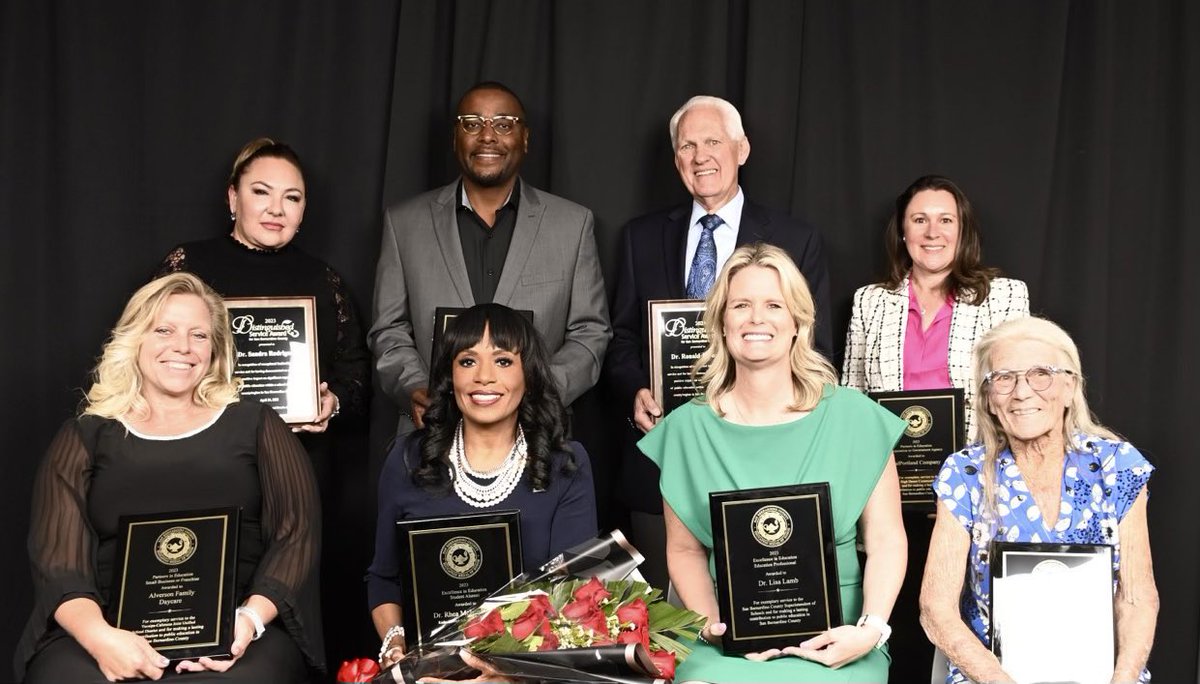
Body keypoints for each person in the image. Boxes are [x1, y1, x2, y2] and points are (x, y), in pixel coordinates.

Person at [15, 273, 322, 683]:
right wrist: (101, 638)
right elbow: (57, 562)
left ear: (214, 350)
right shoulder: (85, 436)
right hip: (105, 629)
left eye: (199, 335)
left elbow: (296, 534)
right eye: (164, 330)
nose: (183, 347)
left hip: (238, 631)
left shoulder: (256, 424)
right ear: (135, 338)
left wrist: (246, 622)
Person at [639, 243, 907, 682]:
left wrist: (871, 631)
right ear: (721, 324)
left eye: (773, 305)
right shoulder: (686, 431)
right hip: (726, 647)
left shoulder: (856, 418)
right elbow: (685, 551)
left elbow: (886, 540)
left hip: (840, 640)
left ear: (799, 322)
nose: (756, 318)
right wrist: (711, 626)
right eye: (741, 305)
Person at [156, 137, 371, 668]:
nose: (276, 209)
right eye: (261, 192)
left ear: (304, 210)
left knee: (284, 611)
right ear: (233, 199)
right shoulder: (188, 265)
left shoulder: (323, 280)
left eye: (292, 198)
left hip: (292, 472)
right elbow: (147, 350)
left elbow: (356, 375)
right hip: (201, 466)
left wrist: (333, 402)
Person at [605, 95, 832, 590]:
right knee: (665, 622)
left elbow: (815, 348)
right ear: (676, 161)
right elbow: (619, 337)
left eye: (713, 141)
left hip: (762, 457)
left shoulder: (796, 238)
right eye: (688, 145)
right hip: (663, 456)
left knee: (759, 602)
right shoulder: (639, 237)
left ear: (742, 149)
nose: (701, 155)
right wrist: (634, 391)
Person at [919, 317, 1157, 683]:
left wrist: (1123, 678)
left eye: (1040, 374)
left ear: (1068, 387)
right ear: (989, 399)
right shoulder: (963, 474)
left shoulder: (1117, 466)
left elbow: (1137, 598)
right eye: (1004, 378)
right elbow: (936, 608)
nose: (1022, 392)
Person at [370, 81, 611, 437]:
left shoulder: (572, 225)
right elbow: (388, 330)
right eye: (471, 123)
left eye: (503, 123)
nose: (487, 136)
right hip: (430, 437)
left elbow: (591, 332)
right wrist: (417, 390)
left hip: (537, 438)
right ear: (455, 137)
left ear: (525, 139)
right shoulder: (404, 224)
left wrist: (537, 393)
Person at [368, 303, 598, 668]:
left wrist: (506, 671)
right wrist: (395, 645)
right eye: (467, 361)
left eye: (504, 361)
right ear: (450, 375)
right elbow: (384, 578)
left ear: (528, 374)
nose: (484, 377)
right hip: (431, 670)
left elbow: (574, 593)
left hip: (532, 671)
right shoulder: (408, 459)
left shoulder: (565, 465)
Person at [842, 174, 1029, 439]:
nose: (932, 232)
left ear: (962, 230)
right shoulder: (869, 301)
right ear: (902, 232)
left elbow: (1020, 392)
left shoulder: (1005, 296)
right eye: (919, 220)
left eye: (946, 220)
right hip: (889, 466)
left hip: (977, 463)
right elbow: (852, 399)